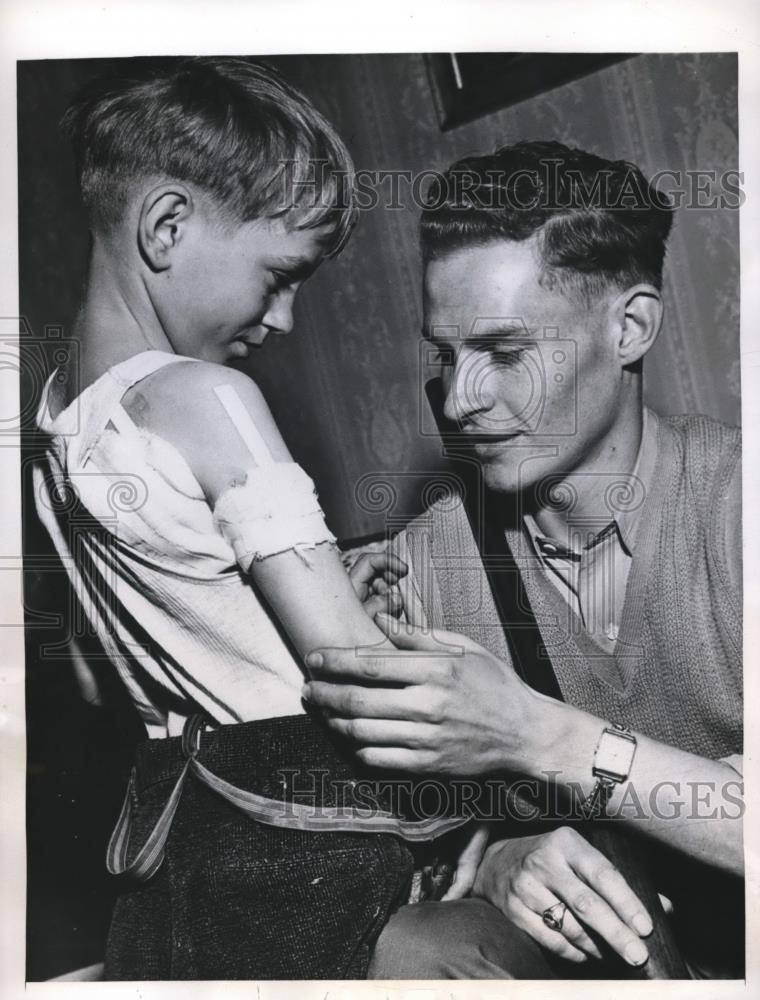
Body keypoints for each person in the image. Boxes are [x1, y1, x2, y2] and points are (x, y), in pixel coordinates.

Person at [32, 56, 470, 981]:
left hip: (185, 853)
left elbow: (109, 665)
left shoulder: (53, 423)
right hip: (308, 840)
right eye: (280, 274)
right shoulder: (207, 396)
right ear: (167, 226)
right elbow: (362, 676)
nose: (287, 319)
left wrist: (281, 602)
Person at [303, 141, 744, 979]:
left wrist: (535, 734)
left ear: (631, 327)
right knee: (418, 948)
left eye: (505, 353)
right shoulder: (425, 563)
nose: (460, 400)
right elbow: (370, 837)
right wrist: (498, 856)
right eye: (445, 356)